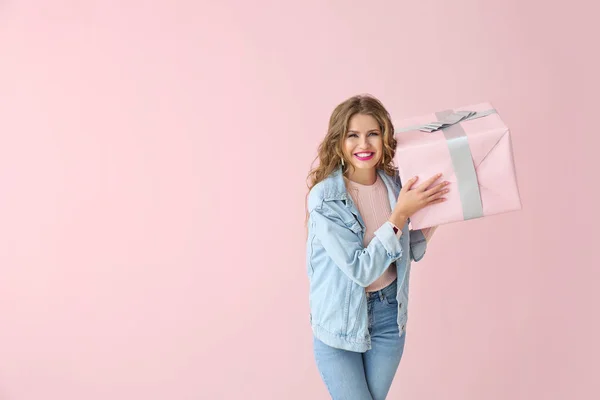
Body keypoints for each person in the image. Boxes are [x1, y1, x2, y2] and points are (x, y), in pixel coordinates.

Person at [304, 94, 448, 399]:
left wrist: (438, 207)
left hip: (388, 316)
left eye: (373, 133)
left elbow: (412, 250)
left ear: (385, 137)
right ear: (338, 142)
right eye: (352, 135)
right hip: (339, 324)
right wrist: (400, 215)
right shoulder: (325, 198)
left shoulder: (396, 186)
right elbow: (361, 269)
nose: (364, 144)